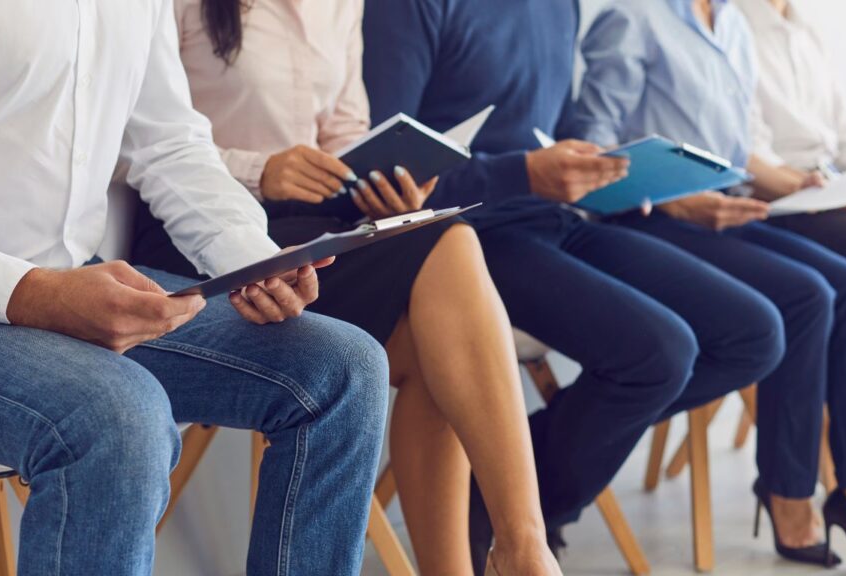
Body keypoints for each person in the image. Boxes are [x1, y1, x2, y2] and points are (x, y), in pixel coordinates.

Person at [0, 1, 392, 574]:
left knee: (342, 368)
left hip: (63, 279)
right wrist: (34, 293)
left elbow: (168, 143)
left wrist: (248, 257)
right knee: (119, 418)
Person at [130, 1, 561, 574]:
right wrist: (263, 168)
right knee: (452, 244)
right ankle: (522, 550)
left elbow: (346, 130)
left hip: (311, 222)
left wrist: (387, 177)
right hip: (199, 234)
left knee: (444, 344)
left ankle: (495, 553)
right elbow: (140, 140)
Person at [362, 0, 785, 570]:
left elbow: (550, 133)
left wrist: (603, 166)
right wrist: (524, 171)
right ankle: (514, 517)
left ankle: (497, 490)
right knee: (661, 352)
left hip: (553, 217)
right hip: (461, 241)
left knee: (754, 331)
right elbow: (386, 170)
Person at [569, 0, 846, 573]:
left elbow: (737, 149)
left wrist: (799, 182)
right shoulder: (636, 18)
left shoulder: (732, 25)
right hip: (651, 218)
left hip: (726, 210)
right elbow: (589, 147)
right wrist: (675, 200)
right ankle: (789, 495)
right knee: (808, 296)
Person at [734, 0, 846, 329]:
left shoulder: (805, 28)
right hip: (785, 203)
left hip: (831, 190)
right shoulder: (733, 25)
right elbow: (749, 157)